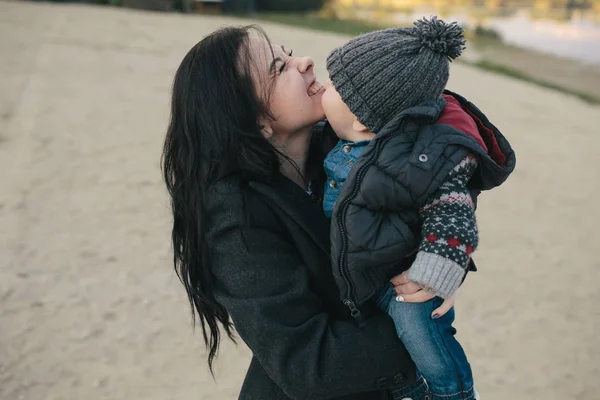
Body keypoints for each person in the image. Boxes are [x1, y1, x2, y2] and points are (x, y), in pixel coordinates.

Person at [161, 25, 449, 399]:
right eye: (279, 67)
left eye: (290, 52)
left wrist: (441, 266)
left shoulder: (343, 148)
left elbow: (444, 177)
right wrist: (424, 331)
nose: (306, 62)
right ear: (255, 121)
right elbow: (310, 363)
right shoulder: (235, 217)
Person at [320, 17, 516, 400]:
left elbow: (453, 210)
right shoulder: (334, 138)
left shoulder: (420, 160)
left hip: (403, 277)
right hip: (361, 273)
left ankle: (452, 393)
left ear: (359, 121)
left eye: (333, 87)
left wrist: (437, 272)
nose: (322, 89)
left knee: (421, 330)